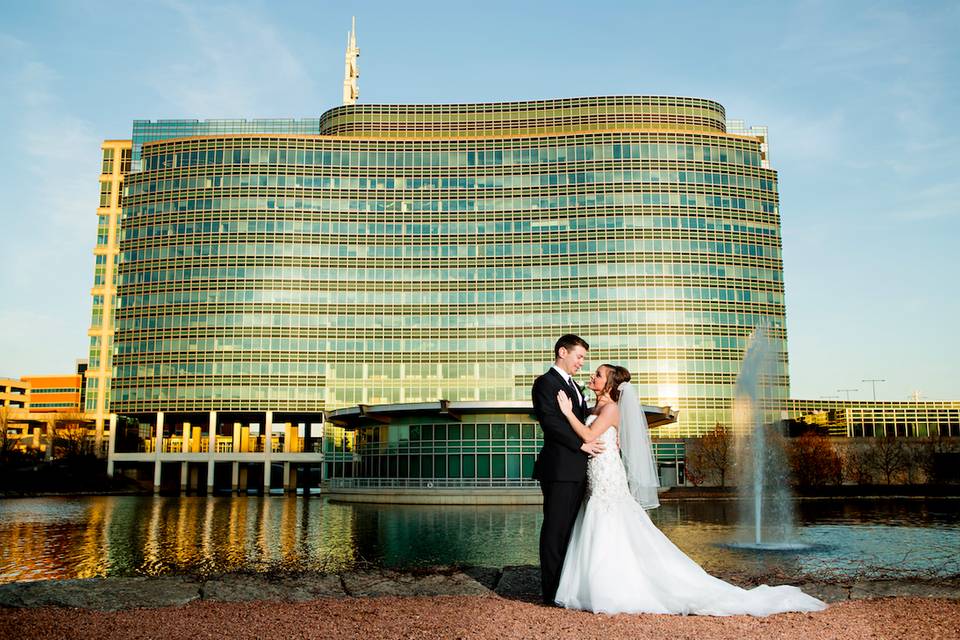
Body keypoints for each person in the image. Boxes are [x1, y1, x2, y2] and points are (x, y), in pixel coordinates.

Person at [552, 364, 828, 616]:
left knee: (610, 524)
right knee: (602, 526)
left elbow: (588, 435)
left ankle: (613, 589)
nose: (592, 376)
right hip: (596, 473)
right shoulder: (593, 408)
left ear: (610, 384)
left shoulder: (611, 409)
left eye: (598, 375)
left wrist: (566, 413)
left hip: (607, 476)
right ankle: (601, 584)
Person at [531, 334, 604, 605]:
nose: (582, 363)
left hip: (578, 470)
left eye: (584, 358)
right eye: (579, 357)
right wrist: (582, 445)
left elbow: (582, 421)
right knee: (555, 529)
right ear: (563, 352)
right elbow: (550, 422)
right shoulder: (545, 383)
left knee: (571, 531)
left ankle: (566, 588)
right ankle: (551, 594)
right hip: (559, 468)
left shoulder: (574, 386)